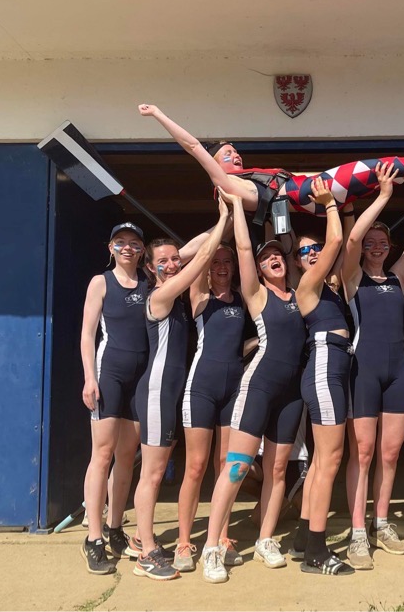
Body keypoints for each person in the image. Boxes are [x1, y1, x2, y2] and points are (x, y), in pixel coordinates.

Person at [199, 188, 308, 584]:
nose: (273, 259)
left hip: (292, 392)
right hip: (259, 386)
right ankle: (213, 546)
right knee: (238, 466)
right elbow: (244, 248)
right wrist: (235, 209)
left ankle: (265, 539)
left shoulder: (301, 293)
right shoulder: (257, 295)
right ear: (259, 269)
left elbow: (294, 245)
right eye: (266, 258)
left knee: (279, 469)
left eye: (278, 254)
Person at [137, 104, 404, 216]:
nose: (235, 155)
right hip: (309, 195)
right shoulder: (226, 184)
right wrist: (159, 115)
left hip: (314, 191)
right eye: (226, 154)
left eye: (235, 150)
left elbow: (298, 175)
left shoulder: (251, 177)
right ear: (217, 164)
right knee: (381, 163)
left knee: (384, 170)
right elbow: (194, 147)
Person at [132, 199, 230, 581]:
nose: (172, 264)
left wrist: (227, 214)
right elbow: (200, 256)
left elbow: (195, 248)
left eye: (176, 259)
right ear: (149, 268)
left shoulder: (170, 278)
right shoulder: (160, 295)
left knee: (155, 472)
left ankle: (144, 541)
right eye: (163, 261)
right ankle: (147, 551)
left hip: (172, 393)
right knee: (153, 475)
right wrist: (222, 222)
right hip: (156, 392)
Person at [341, 163, 404, 570]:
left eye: (382, 242)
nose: (375, 246)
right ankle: (358, 533)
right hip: (364, 372)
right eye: (371, 242)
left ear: (389, 247)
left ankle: (381, 521)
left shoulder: (397, 278)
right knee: (363, 451)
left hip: (398, 374)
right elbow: (353, 237)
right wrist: (385, 196)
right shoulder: (352, 278)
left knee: (389, 454)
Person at [287, 178, 355, 575]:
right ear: (299, 262)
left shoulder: (329, 288)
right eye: (304, 252)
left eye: (314, 249)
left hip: (331, 367)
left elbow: (345, 248)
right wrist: (330, 203)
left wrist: (345, 210)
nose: (312, 254)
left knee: (319, 461)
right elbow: (335, 246)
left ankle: (302, 538)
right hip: (326, 365)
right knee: (330, 460)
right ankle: (316, 551)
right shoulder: (307, 286)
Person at [173, 240, 250, 572]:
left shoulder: (242, 301)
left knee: (227, 466)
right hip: (201, 389)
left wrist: (262, 344)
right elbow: (188, 256)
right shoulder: (199, 297)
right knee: (196, 466)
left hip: (233, 390)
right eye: (216, 262)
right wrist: (223, 222)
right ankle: (183, 541)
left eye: (227, 262)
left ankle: (220, 536)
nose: (221, 266)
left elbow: (238, 344)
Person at [80, 222, 148, 575]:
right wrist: (90, 378)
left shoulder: (151, 283)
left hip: (140, 381)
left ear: (141, 250)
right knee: (102, 455)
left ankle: (115, 526)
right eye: (120, 242)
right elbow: (87, 334)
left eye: (134, 243)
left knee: (126, 456)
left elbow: (181, 254)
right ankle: (93, 538)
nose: (126, 248)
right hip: (109, 377)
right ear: (110, 248)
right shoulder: (100, 282)